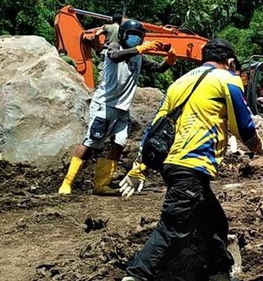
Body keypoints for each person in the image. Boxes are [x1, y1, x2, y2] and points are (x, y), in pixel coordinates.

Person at [120, 39, 263, 281]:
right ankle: (136, 275)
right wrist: (261, 148)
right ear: (230, 61)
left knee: (214, 223)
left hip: (172, 165)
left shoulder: (179, 82)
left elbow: (155, 128)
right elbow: (243, 127)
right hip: (192, 167)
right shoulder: (227, 78)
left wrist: (140, 168)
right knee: (173, 228)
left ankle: (219, 272)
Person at [57, 20, 177, 195]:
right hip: (105, 105)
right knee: (92, 142)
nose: (135, 39)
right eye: (132, 36)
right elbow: (114, 56)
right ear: (123, 35)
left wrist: (170, 61)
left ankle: (102, 184)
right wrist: (139, 49)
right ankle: (67, 182)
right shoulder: (114, 47)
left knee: (119, 144)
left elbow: (158, 69)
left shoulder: (138, 57)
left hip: (122, 108)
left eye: (138, 37)